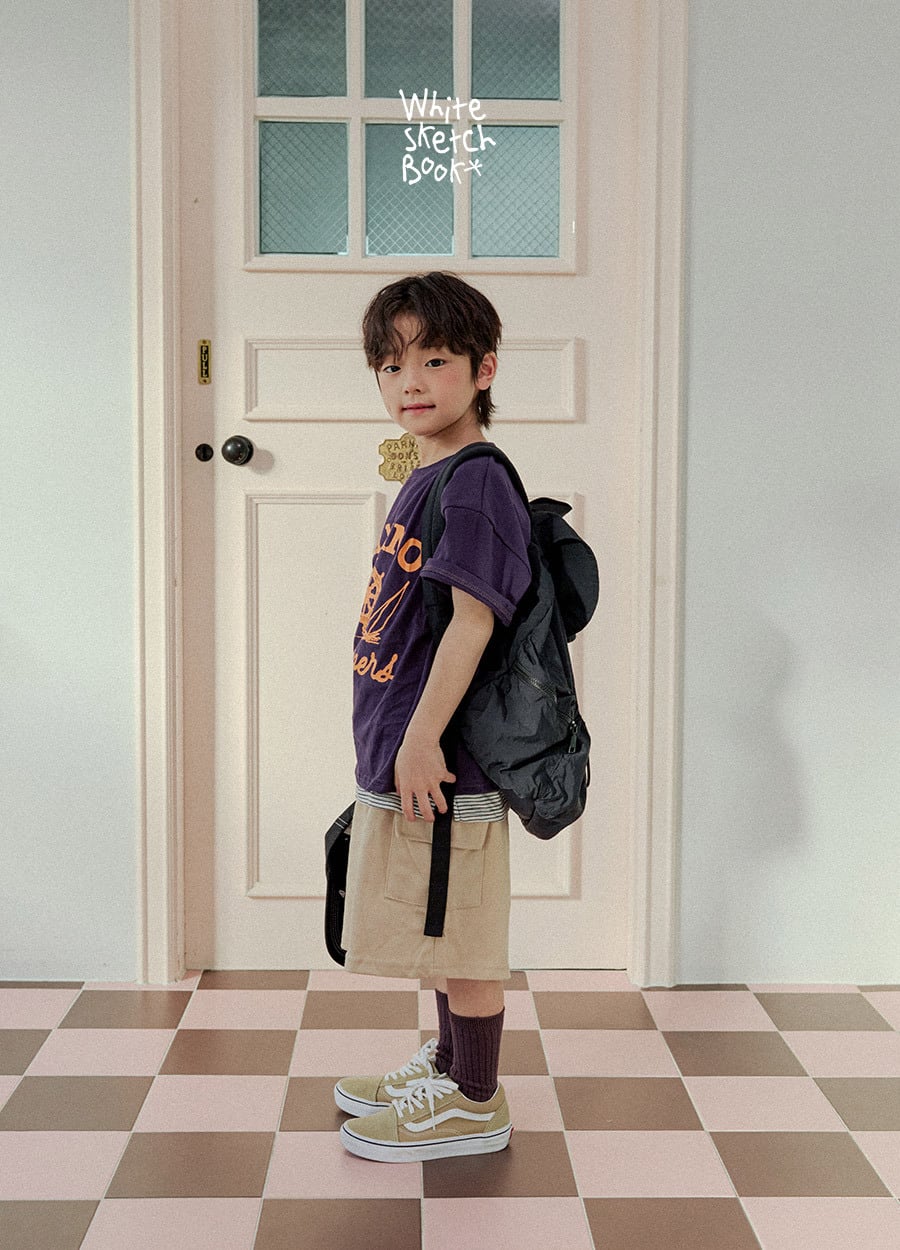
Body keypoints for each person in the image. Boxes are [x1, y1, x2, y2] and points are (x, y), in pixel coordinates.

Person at [335, 272, 533, 1163]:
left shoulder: (477, 481)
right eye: (390, 365)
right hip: (414, 746)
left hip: (447, 755)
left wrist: (420, 738)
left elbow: (474, 620)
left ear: (483, 369)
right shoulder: (435, 473)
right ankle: (451, 1068)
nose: (409, 381)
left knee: (465, 932)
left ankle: (475, 1100)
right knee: (438, 924)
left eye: (435, 360)